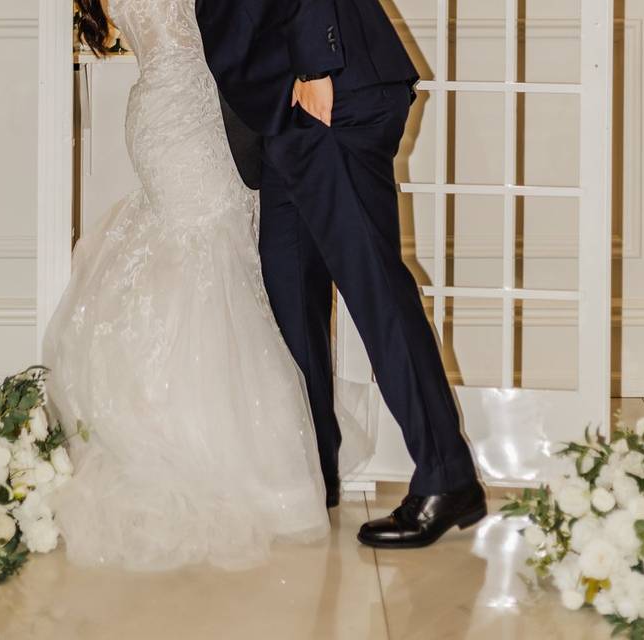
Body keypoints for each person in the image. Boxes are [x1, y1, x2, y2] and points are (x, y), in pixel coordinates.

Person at [42, 0, 330, 570]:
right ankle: (203, 450)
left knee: (203, 254)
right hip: (187, 115)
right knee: (205, 258)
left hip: (174, 109)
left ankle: (177, 427)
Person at [196, 0, 487, 548]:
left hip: (327, 95)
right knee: (289, 295)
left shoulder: (318, 74)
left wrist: (315, 65)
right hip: (287, 117)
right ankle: (314, 471)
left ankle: (447, 477)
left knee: (377, 292)